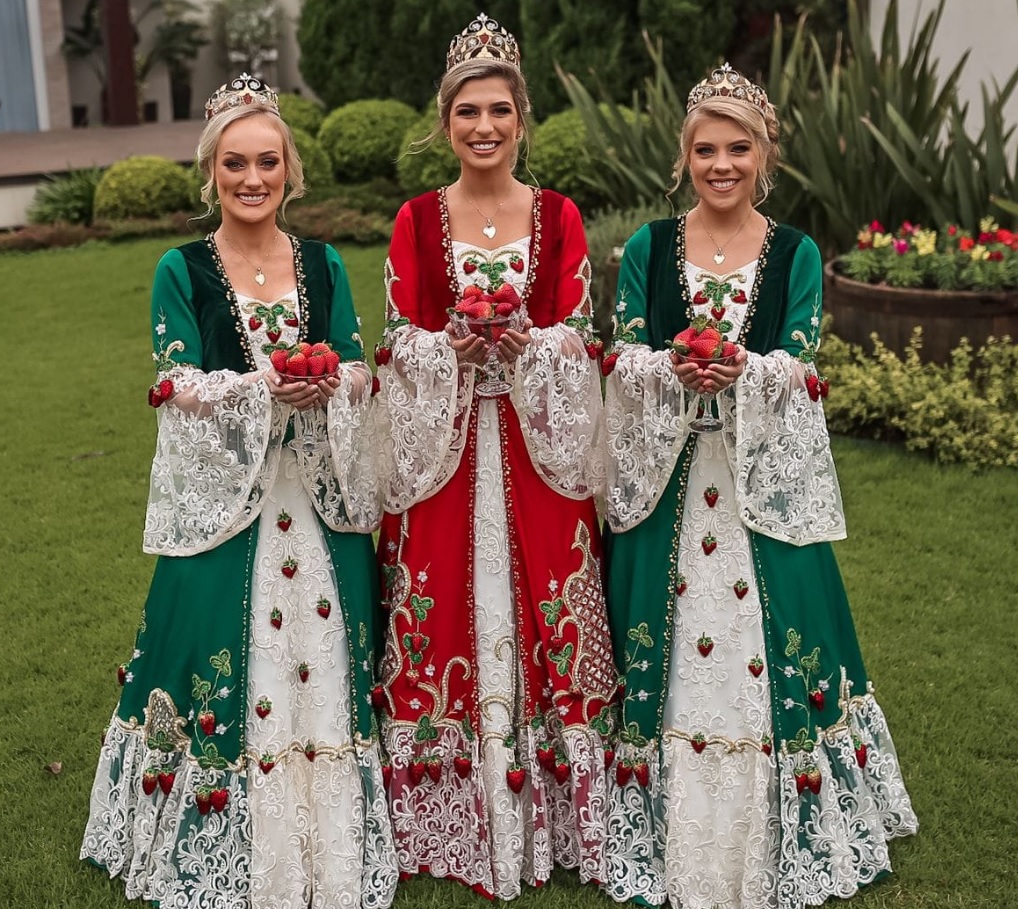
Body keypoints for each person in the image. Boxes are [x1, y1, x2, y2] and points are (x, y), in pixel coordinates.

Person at [602, 65, 919, 909]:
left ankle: (792, 811)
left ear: (763, 152)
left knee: (789, 629)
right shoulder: (646, 247)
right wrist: (670, 364)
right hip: (671, 479)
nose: (720, 163)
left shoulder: (795, 252)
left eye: (736, 146)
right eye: (704, 148)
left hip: (755, 484)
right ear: (684, 157)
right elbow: (625, 350)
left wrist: (745, 368)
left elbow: (801, 359)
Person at [79, 74, 397, 909]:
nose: (252, 180)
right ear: (210, 173)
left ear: (290, 170)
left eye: (266, 163)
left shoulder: (323, 264)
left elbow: (360, 366)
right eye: (234, 165)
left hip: (315, 499)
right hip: (232, 499)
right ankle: (218, 822)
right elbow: (176, 382)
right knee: (209, 644)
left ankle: (322, 825)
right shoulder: (178, 269)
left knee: (324, 655)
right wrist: (266, 388)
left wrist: (329, 380)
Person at [372, 14, 617, 900]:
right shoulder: (414, 218)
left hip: (533, 440)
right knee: (435, 601)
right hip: (446, 446)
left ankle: (554, 797)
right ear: (445, 123)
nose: (483, 127)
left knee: (551, 594)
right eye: (467, 112)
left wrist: (524, 348)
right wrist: (449, 347)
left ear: (523, 120)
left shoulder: (558, 216)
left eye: (499, 111)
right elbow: (397, 340)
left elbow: (580, 336)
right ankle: (446, 800)